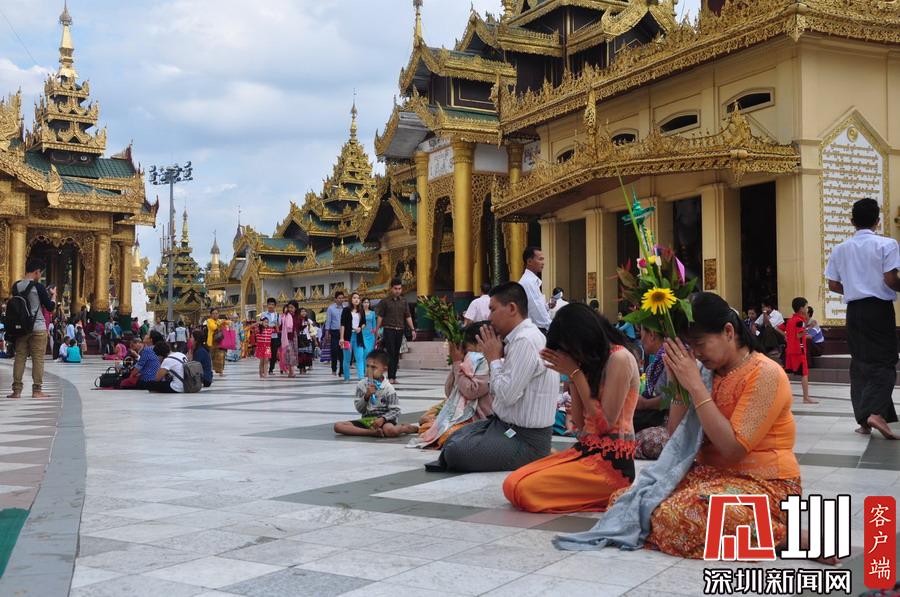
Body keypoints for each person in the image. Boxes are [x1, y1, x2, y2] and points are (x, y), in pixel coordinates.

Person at [556, 292, 800, 559]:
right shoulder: (707, 373)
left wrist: (695, 385)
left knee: (683, 513)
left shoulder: (765, 374)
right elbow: (675, 436)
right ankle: (738, 532)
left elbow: (733, 449)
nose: (696, 354)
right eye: (690, 346)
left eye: (700, 344)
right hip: (709, 479)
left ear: (728, 332)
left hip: (764, 485)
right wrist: (678, 386)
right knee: (626, 500)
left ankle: (783, 534)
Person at [503, 304, 640, 512]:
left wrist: (576, 374)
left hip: (612, 466)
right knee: (512, 483)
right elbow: (579, 422)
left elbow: (605, 424)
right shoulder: (592, 362)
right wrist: (574, 376)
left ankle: (611, 492)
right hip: (587, 452)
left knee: (524, 491)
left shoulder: (620, 359)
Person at [434, 282, 559, 472]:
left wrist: (493, 359)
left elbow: (506, 395)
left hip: (524, 438)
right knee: (453, 438)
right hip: (504, 427)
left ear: (512, 308)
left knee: (455, 452)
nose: (488, 317)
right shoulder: (516, 340)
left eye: (492, 309)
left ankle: (538, 455)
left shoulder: (525, 341)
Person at [825, 197, 899, 439]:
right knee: (885, 362)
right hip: (878, 310)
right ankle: (875, 413)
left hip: (854, 311)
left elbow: (833, 284)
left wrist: (856, 288)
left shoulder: (840, 248)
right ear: (878, 221)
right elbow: (890, 279)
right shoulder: (887, 244)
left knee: (860, 364)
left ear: (851, 221)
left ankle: (865, 421)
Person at [409, 321, 493, 449]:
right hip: (465, 418)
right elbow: (449, 391)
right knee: (427, 427)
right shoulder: (465, 363)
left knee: (448, 435)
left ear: (480, 345)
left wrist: (458, 364)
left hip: (480, 420)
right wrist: (456, 364)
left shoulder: (486, 362)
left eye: (466, 348)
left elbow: (471, 391)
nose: (465, 352)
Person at [333, 349, 418, 437]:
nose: (369, 370)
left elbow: (396, 410)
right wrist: (366, 396)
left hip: (385, 421)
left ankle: (405, 428)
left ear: (384, 369)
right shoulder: (361, 385)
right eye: (367, 366)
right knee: (338, 426)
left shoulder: (388, 388)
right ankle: (371, 432)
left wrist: (383, 419)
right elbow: (359, 409)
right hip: (368, 420)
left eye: (373, 367)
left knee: (390, 431)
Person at [8, 258, 57, 399]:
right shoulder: (38, 287)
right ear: (36, 271)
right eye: (40, 273)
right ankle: (37, 390)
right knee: (38, 359)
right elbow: (50, 307)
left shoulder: (16, 286)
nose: (40, 276)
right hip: (38, 327)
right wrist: (53, 296)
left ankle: (16, 391)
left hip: (21, 328)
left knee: (20, 358)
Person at [633, 327, 683, 460]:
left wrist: (645, 404)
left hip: (671, 423)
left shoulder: (672, 359)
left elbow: (671, 398)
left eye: (642, 334)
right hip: (655, 420)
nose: (641, 339)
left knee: (646, 442)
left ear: (652, 335)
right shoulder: (654, 365)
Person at [375, 278, 416, 384]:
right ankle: (390, 377)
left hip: (400, 330)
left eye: (399, 288)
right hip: (389, 330)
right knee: (391, 352)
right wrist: (377, 329)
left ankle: (393, 376)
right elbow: (380, 317)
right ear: (391, 288)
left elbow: (408, 316)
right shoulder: (385, 301)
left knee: (396, 353)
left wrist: (413, 329)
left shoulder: (404, 301)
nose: (398, 291)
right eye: (395, 288)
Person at [784, 297, 817, 405]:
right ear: (801, 308)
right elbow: (799, 334)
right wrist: (809, 328)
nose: (807, 309)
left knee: (788, 373)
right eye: (806, 307)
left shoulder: (790, 320)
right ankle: (806, 397)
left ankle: (778, 394)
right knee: (804, 374)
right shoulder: (800, 321)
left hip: (790, 350)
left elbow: (788, 333)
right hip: (799, 350)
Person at [518, 247, 551, 332]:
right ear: (529, 261)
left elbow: (537, 306)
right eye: (540, 259)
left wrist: (548, 306)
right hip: (537, 329)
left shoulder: (532, 281)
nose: (543, 263)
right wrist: (551, 327)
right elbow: (537, 310)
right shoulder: (528, 282)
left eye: (543, 259)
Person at [341, 292, 368, 382]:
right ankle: (347, 377)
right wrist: (342, 338)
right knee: (347, 358)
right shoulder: (346, 310)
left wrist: (360, 328)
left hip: (358, 336)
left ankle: (361, 377)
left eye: (358, 298)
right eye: (354, 298)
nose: (356, 299)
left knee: (359, 357)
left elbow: (364, 323)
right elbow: (342, 324)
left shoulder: (361, 310)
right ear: (351, 299)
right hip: (347, 337)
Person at [325, 291, 345, 377]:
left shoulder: (345, 308)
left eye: (342, 298)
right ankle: (334, 369)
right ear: (336, 299)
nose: (341, 300)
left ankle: (342, 370)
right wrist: (327, 332)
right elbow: (328, 321)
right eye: (339, 298)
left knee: (342, 352)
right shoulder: (331, 308)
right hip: (334, 332)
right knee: (334, 350)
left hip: (343, 332)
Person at [261, 298, 281, 374]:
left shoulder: (278, 315)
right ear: (267, 305)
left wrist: (275, 326)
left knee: (274, 353)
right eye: (269, 304)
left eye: (272, 304)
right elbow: (261, 324)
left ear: (275, 306)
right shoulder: (263, 314)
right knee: (265, 353)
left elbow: (279, 325)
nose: (271, 306)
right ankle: (264, 368)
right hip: (266, 336)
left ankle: (271, 369)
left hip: (274, 336)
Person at [280, 301, 299, 377]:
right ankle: (291, 372)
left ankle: (291, 372)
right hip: (287, 337)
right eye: (289, 307)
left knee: (293, 354)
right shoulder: (285, 316)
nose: (290, 309)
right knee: (289, 354)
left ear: (295, 308)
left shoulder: (296, 316)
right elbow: (281, 326)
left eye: (292, 307)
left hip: (294, 337)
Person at [206, 308, 226, 376]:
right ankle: (209, 370)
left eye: (216, 313)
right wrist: (220, 323)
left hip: (219, 341)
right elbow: (214, 327)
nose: (215, 315)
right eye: (213, 313)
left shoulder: (219, 321)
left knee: (221, 356)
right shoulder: (209, 321)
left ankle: (221, 371)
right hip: (212, 342)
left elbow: (225, 326)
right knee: (211, 357)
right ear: (211, 315)